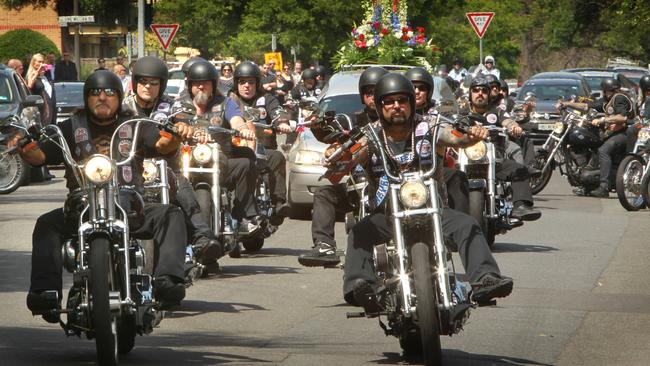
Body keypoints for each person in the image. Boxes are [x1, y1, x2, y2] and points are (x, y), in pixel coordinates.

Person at [12, 71, 190, 322]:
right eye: (95, 93)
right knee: (46, 224)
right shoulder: (69, 127)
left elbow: (162, 146)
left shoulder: (135, 124)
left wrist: (174, 135)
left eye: (109, 92)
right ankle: (46, 291)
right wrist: (26, 147)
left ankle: (167, 280)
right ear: (86, 98)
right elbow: (41, 157)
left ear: (119, 97)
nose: (102, 97)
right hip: (81, 204)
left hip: (129, 204)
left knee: (170, 214)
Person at [339, 73, 513, 310]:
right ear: (379, 107)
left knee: (467, 224)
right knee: (359, 231)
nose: (396, 107)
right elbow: (350, 158)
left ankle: (485, 279)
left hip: (433, 210)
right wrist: (340, 157)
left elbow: (454, 136)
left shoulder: (430, 126)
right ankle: (360, 286)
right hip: (389, 215)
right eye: (389, 102)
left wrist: (473, 134)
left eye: (402, 100)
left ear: (412, 102)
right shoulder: (370, 135)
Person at [122, 56, 223, 263]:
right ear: (135, 82)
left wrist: (190, 129)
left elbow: (185, 119)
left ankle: (201, 237)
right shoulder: (123, 107)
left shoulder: (172, 105)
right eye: (143, 82)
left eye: (154, 83)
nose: (148, 87)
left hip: (165, 164)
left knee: (183, 188)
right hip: (129, 166)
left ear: (162, 85)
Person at [298, 66, 388, 267]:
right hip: (360, 185)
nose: (373, 97)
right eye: (368, 93)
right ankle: (324, 246)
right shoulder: (355, 120)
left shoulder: (399, 119)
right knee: (324, 192)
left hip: (390, 186)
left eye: (377, 92)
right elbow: (335, 132)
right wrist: (319, 126)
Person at [171, 60, 260, 233]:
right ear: (190, 86)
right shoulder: (179, 105)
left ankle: (241, 217)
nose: (201, 87)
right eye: (196, 83)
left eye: (205, 83)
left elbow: (236, 119)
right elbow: (172, 122)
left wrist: (242, 129)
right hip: (185, 162)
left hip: (221, 161)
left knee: (247, 161)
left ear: (213, 85)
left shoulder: (226, 103)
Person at [465, 77, 541, 220]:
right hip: (464, 157)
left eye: (484, 91)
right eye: (476, 90)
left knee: (519, 169)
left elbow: (508, 121)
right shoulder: (462, 111)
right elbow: (448, 121)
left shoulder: (496, 112)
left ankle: (520, 206)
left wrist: (514, 127)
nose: (479, 93)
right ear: (470, 93)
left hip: (493, 159)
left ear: (489, 95)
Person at [230, 61, 292, 225]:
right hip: (236, 151)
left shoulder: (266, 99)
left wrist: (282, 122)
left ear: (257, 84)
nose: (246, 86)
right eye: (242, 82)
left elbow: (278, 112)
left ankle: (279, 202)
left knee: (278, 157)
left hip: (263, 150)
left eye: (251, 82)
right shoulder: (229, 100)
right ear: (236, 83)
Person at [405, 67, 470, 214]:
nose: (416, 91)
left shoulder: (439, 109)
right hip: (401, 169)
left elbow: (452, 123)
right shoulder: (398, 112)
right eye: (412, 87)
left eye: (421, 88)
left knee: (457, 176)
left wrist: (462, 131)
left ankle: (461, 223)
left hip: (432, 167)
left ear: (428, 91)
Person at [560, 78, 633, 197]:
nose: (605, 93)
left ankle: (604, 187)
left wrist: (603, 119)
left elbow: (622, 117)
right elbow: (587, 106)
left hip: (624, 133)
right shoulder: (608, 100)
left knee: (603, 150)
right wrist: (567, 104)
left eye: (606, 91)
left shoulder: (619, 98)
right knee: (592, 143)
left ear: (609, 90)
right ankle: (587, 183)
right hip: (613, 132)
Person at [626, 75, 650, 152]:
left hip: (647, 126)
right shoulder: (640, 101)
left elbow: (645, 118)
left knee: (632, 130)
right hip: (645, 127)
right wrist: (626, 121)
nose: (648, 93)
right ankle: (631, 156)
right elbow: (639, 117)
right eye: (646, 90)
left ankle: (630, 154)